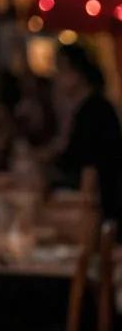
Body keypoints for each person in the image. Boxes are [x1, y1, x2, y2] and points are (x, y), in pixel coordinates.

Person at [55, 43, 122, 221]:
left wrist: (82, 217)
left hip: (103, 211)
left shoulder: (94, 111)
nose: (57, 77)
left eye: (62, 70)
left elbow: (90, 170)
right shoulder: (86, 108)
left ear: (78, 73)